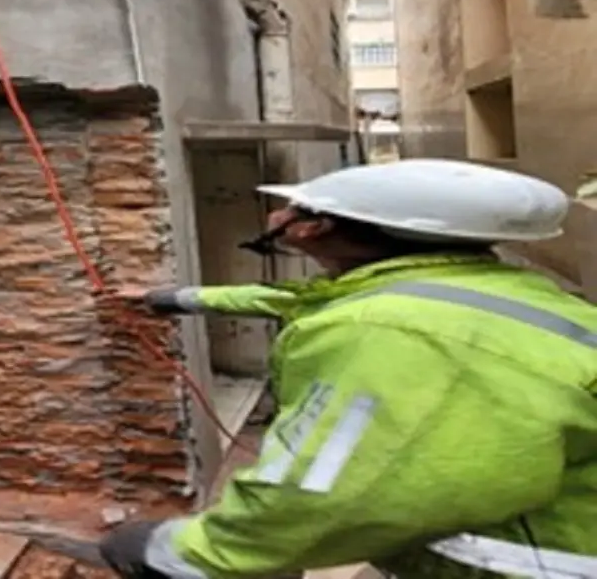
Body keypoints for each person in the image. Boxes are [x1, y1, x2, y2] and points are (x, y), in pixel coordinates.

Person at [99, 158, 597, 579]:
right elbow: (295, 300)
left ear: (313, 226)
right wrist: (177, 300)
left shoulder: (392, 333)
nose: (279, 212)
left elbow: (327, 495)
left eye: (292, 205)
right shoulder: (477, 292)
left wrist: (178, 553)